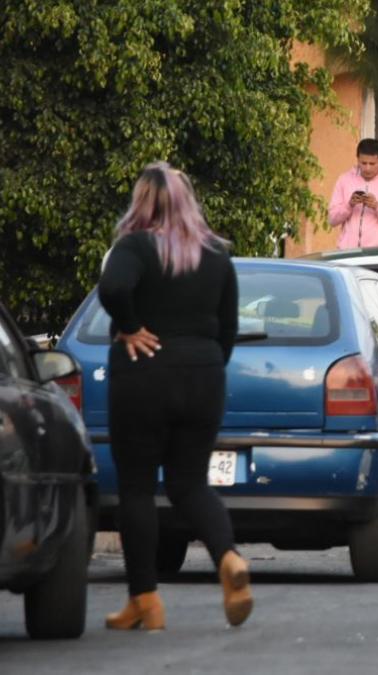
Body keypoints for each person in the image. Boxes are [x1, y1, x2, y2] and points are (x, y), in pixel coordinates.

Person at [97, 162, 253, 631]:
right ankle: (227, 558)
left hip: (143, 376)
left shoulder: (135, 246)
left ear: (141, 201)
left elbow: (113, 286)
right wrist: (205, 364)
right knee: (190, 484)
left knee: (138, 488)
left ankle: (146, 601)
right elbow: (228, 330)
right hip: (204, 375)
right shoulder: (216, 255)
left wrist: (129, 327)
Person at [328, 138, 378, 249]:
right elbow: (332, 219)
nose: (367, 168)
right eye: (363, 163)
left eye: (372, 163)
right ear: (357, 159)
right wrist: (349, 205)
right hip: (348, 252)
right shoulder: (344, 179)